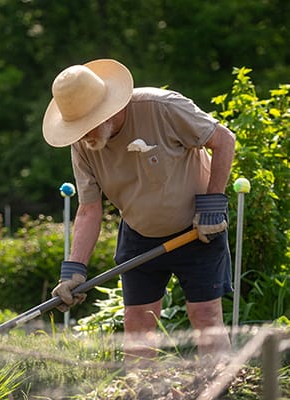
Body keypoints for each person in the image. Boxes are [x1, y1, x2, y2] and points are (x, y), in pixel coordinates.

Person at [42, 59, 235, 362]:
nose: (82, 135)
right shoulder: (83, 144)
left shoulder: (162, 108)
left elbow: (224, 140)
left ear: (108, 110)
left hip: (199, 229)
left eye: (85, 126)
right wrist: (74, 269)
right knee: (137, 326)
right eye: (76, 129)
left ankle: (221, 391)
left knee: (206, 318)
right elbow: (89, 209)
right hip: (139, 233)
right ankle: (141, 392)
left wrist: (213, 204)